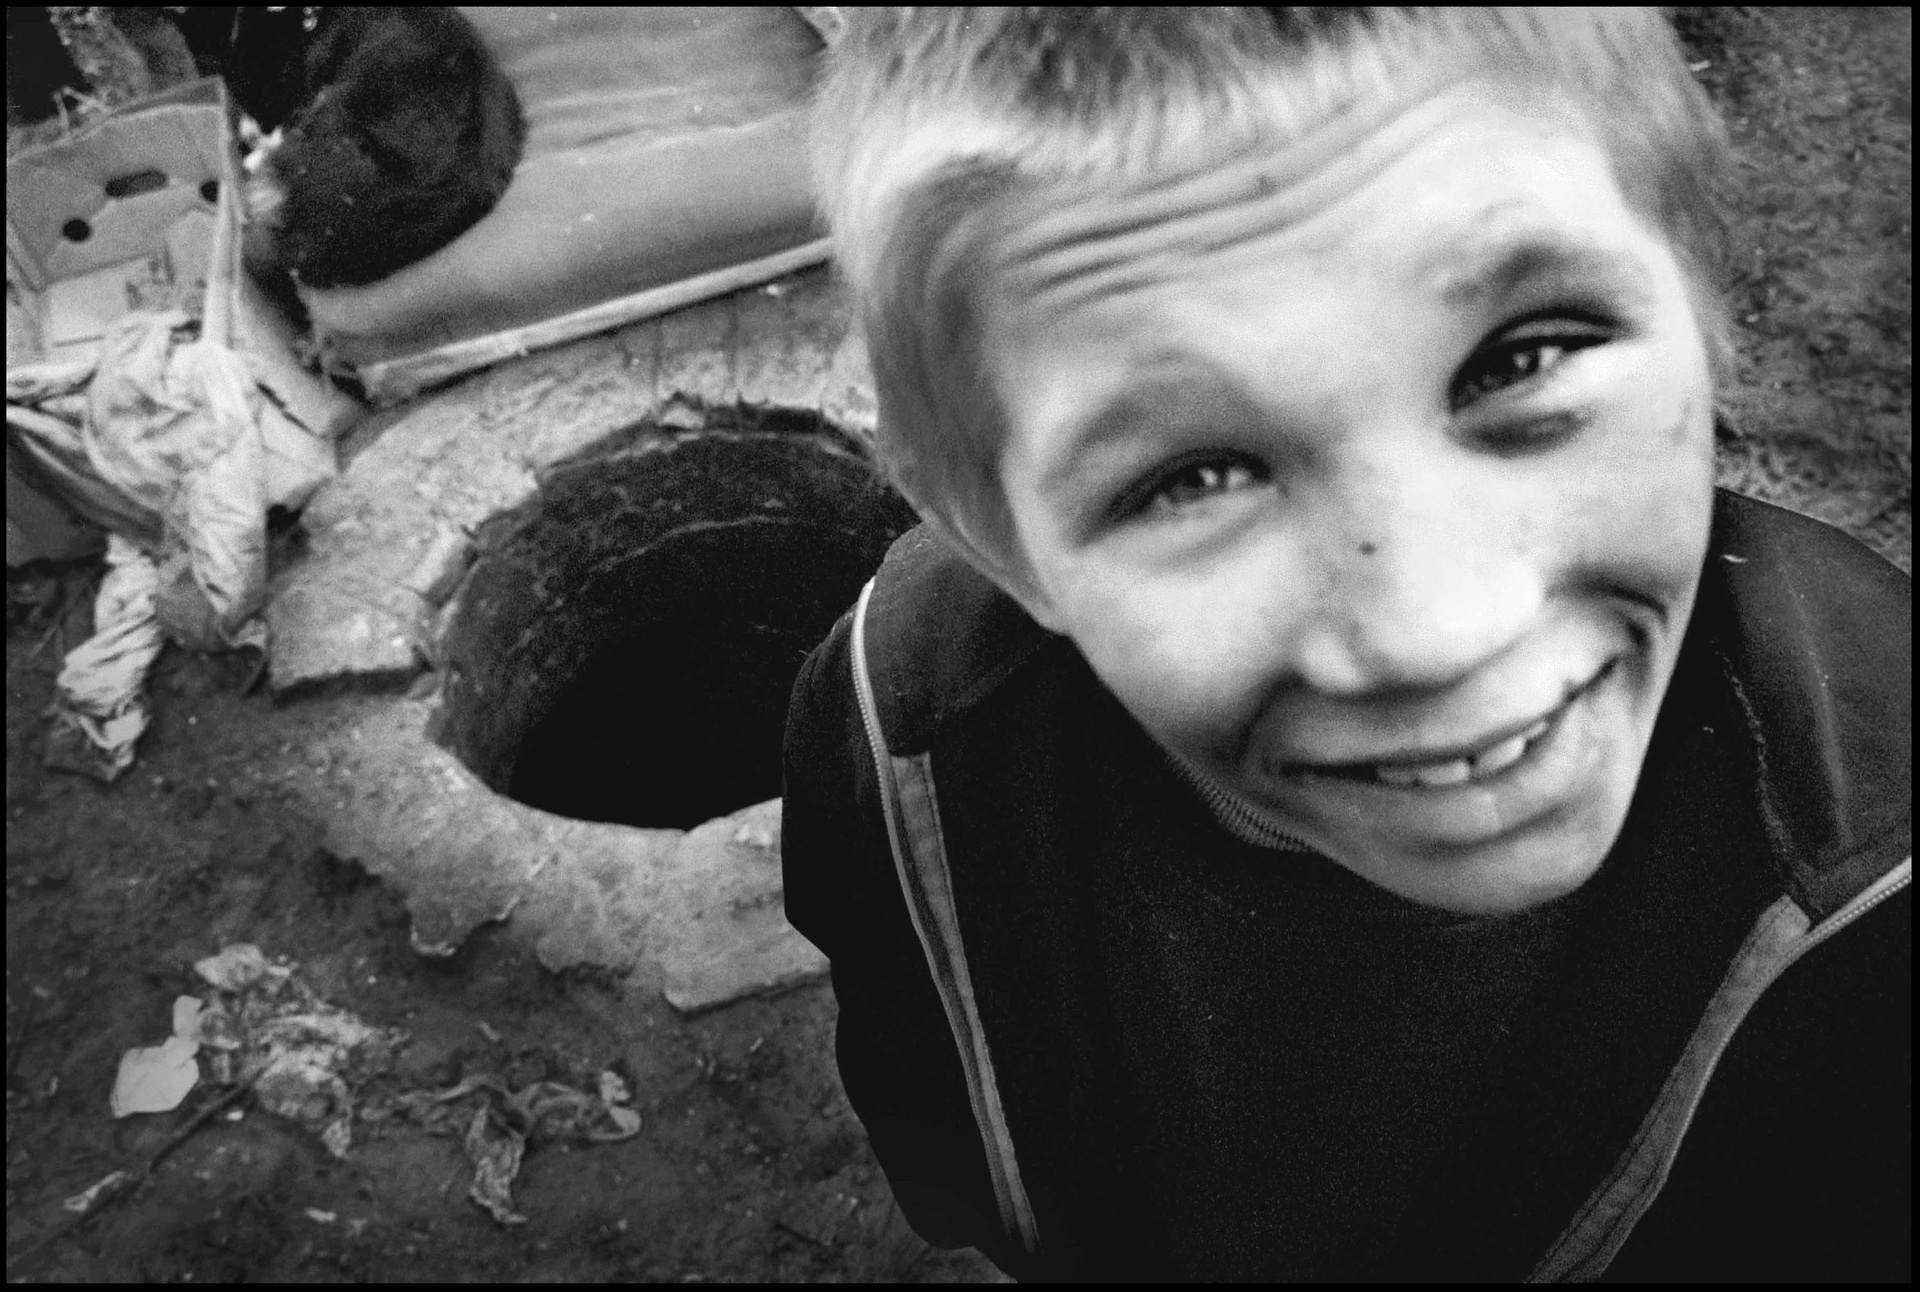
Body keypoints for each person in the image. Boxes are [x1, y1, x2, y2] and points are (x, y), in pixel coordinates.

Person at [780, 8, 1911, 1281]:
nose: (1440, 632)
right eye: (1193, 476)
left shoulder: (1880, 850)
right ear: (997, 543)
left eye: (1524, 360)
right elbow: (931, 1113)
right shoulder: (906, 726)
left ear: (1708, 312)